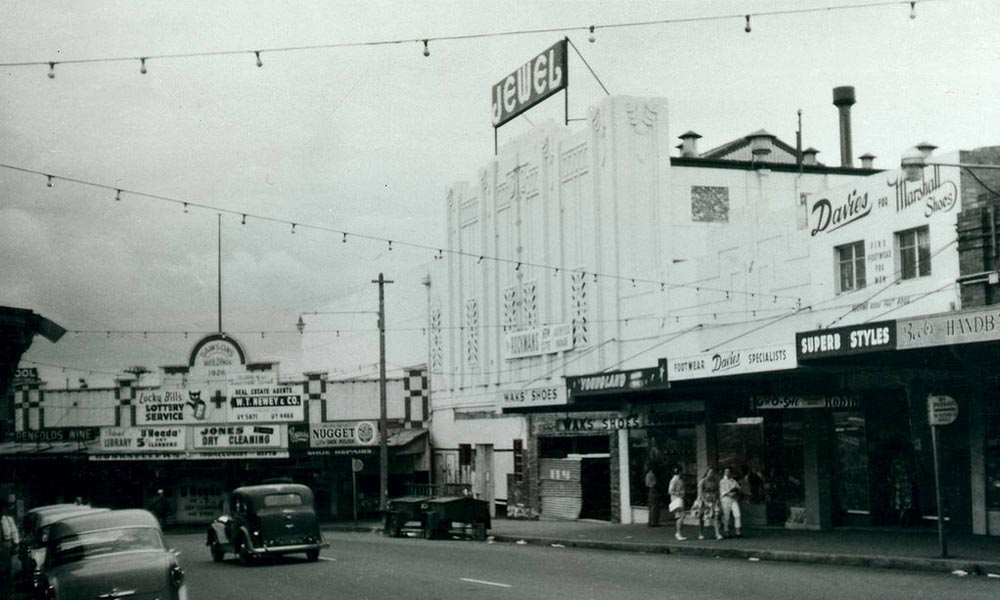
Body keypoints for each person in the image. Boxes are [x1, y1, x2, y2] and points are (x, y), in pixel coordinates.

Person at [696, 468, 723, 540]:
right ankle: (700, 533)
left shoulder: (715, 482)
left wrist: (718, 500)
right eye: (710, 472)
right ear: (707, 473)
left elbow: (717, 491)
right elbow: (700, 492)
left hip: (713, 499)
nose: (711, 474)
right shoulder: (703, 481)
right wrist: (704, 501)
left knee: (715, 516)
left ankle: (717, 534)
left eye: (712, 472)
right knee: (701, 517)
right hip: (704, 500)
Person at [0, 498, 20, 597]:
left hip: (6, 544)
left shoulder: (8, 519)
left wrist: (15, 543)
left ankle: (9, 589)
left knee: (8, 568)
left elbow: (14, 531)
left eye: (2, 509)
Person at [719, 467, 743, 538]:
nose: (727, 473)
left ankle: (738, 532)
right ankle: (726, 532)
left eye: (729, 471)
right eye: (726, 472)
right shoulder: (722, 481)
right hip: (725, 499)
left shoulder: (734, 481)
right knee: (726, 516)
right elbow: (722, 491)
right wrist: (729, 493)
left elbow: (738, 489)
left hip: (734, 499)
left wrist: (736, 493)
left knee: (737, 514)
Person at [667, 464, 688, 541]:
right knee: (680, 516)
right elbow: (670, 491)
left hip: (680, 498)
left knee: (682, 515)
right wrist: (678, 493)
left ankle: (679, 533)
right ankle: (678, 533)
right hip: (676, 499)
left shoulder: (679, 479)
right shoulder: (675, 479)